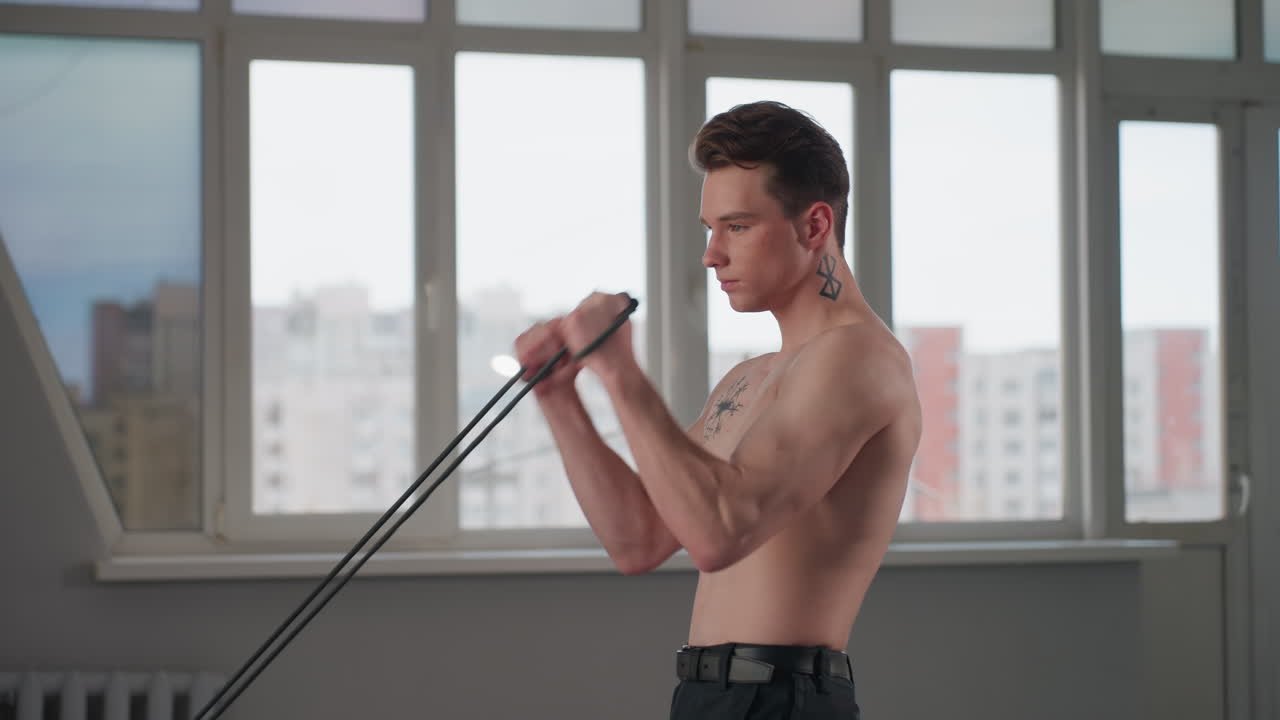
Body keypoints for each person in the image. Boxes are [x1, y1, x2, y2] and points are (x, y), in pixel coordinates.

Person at [514, 101, 922, 719]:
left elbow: (719, 532)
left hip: (779, 700)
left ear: (814, 226)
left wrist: (622, 372)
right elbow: (640, 540)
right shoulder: (753, 376)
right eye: (711, 229)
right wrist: (558, 397)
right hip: (709, 695)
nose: (711, 255)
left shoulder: (858, 358)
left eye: (736, 227)